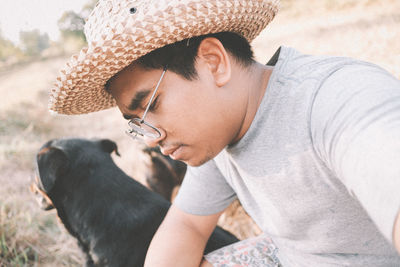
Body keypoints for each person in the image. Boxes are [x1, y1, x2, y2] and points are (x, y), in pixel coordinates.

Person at [49, 0, 400, 266]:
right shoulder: (218, 137)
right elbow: (185, 226)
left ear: (213, 62)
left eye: (152, 103)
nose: (152, 137)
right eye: (137, 122)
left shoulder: (337, 99)